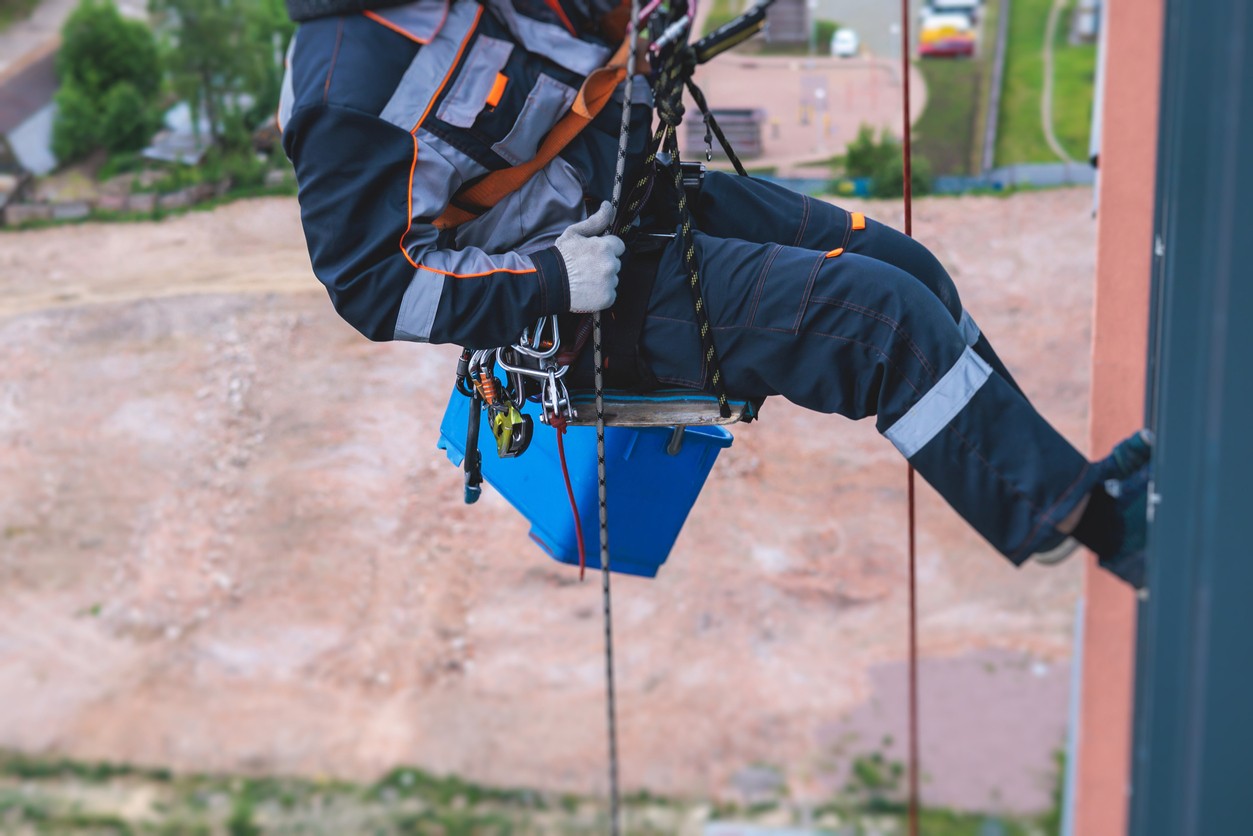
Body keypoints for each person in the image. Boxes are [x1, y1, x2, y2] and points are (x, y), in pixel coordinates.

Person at [278, 0, 1151, 587]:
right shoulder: (344, 91)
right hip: (585, 304)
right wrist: (552, 280)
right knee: (884, 327)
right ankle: (1104, 528)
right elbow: (372, 284)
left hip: (639, 201)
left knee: (906, 267)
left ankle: (1052, 486)